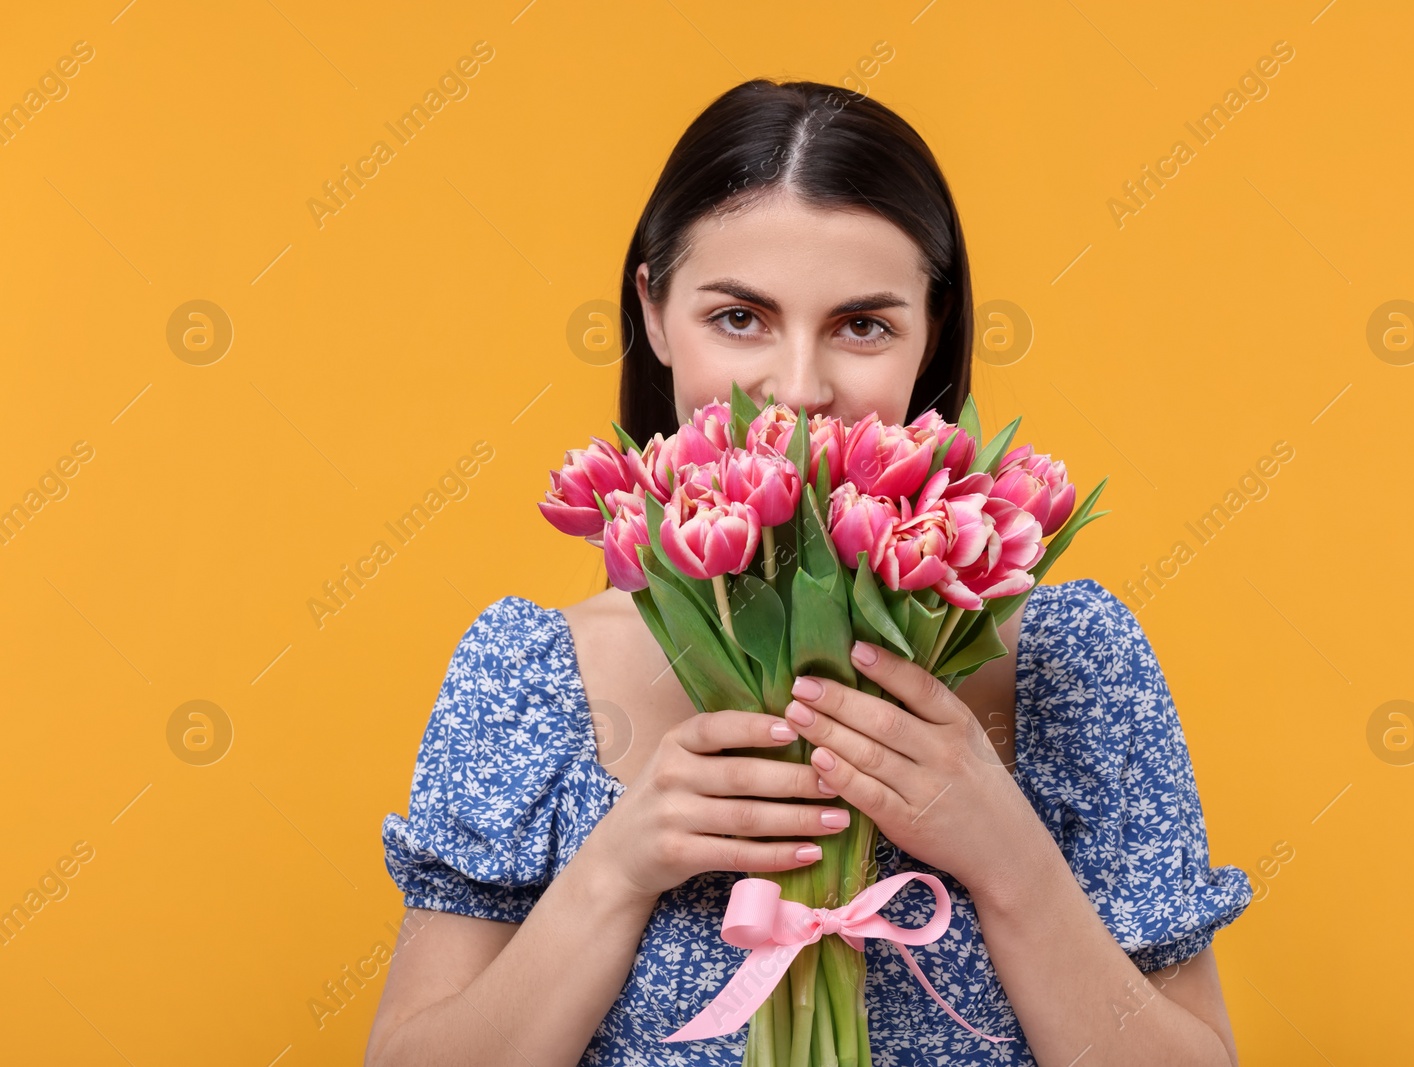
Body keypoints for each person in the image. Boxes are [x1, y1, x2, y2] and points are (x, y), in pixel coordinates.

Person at [366, 79, 1252, 1067]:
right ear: (653, 312)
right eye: (738, 317)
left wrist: (1012, 864)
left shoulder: (1065, 662)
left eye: (862, 324)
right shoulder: (531, 671)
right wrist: (617, 866)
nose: (796, 388)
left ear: (932, 336)